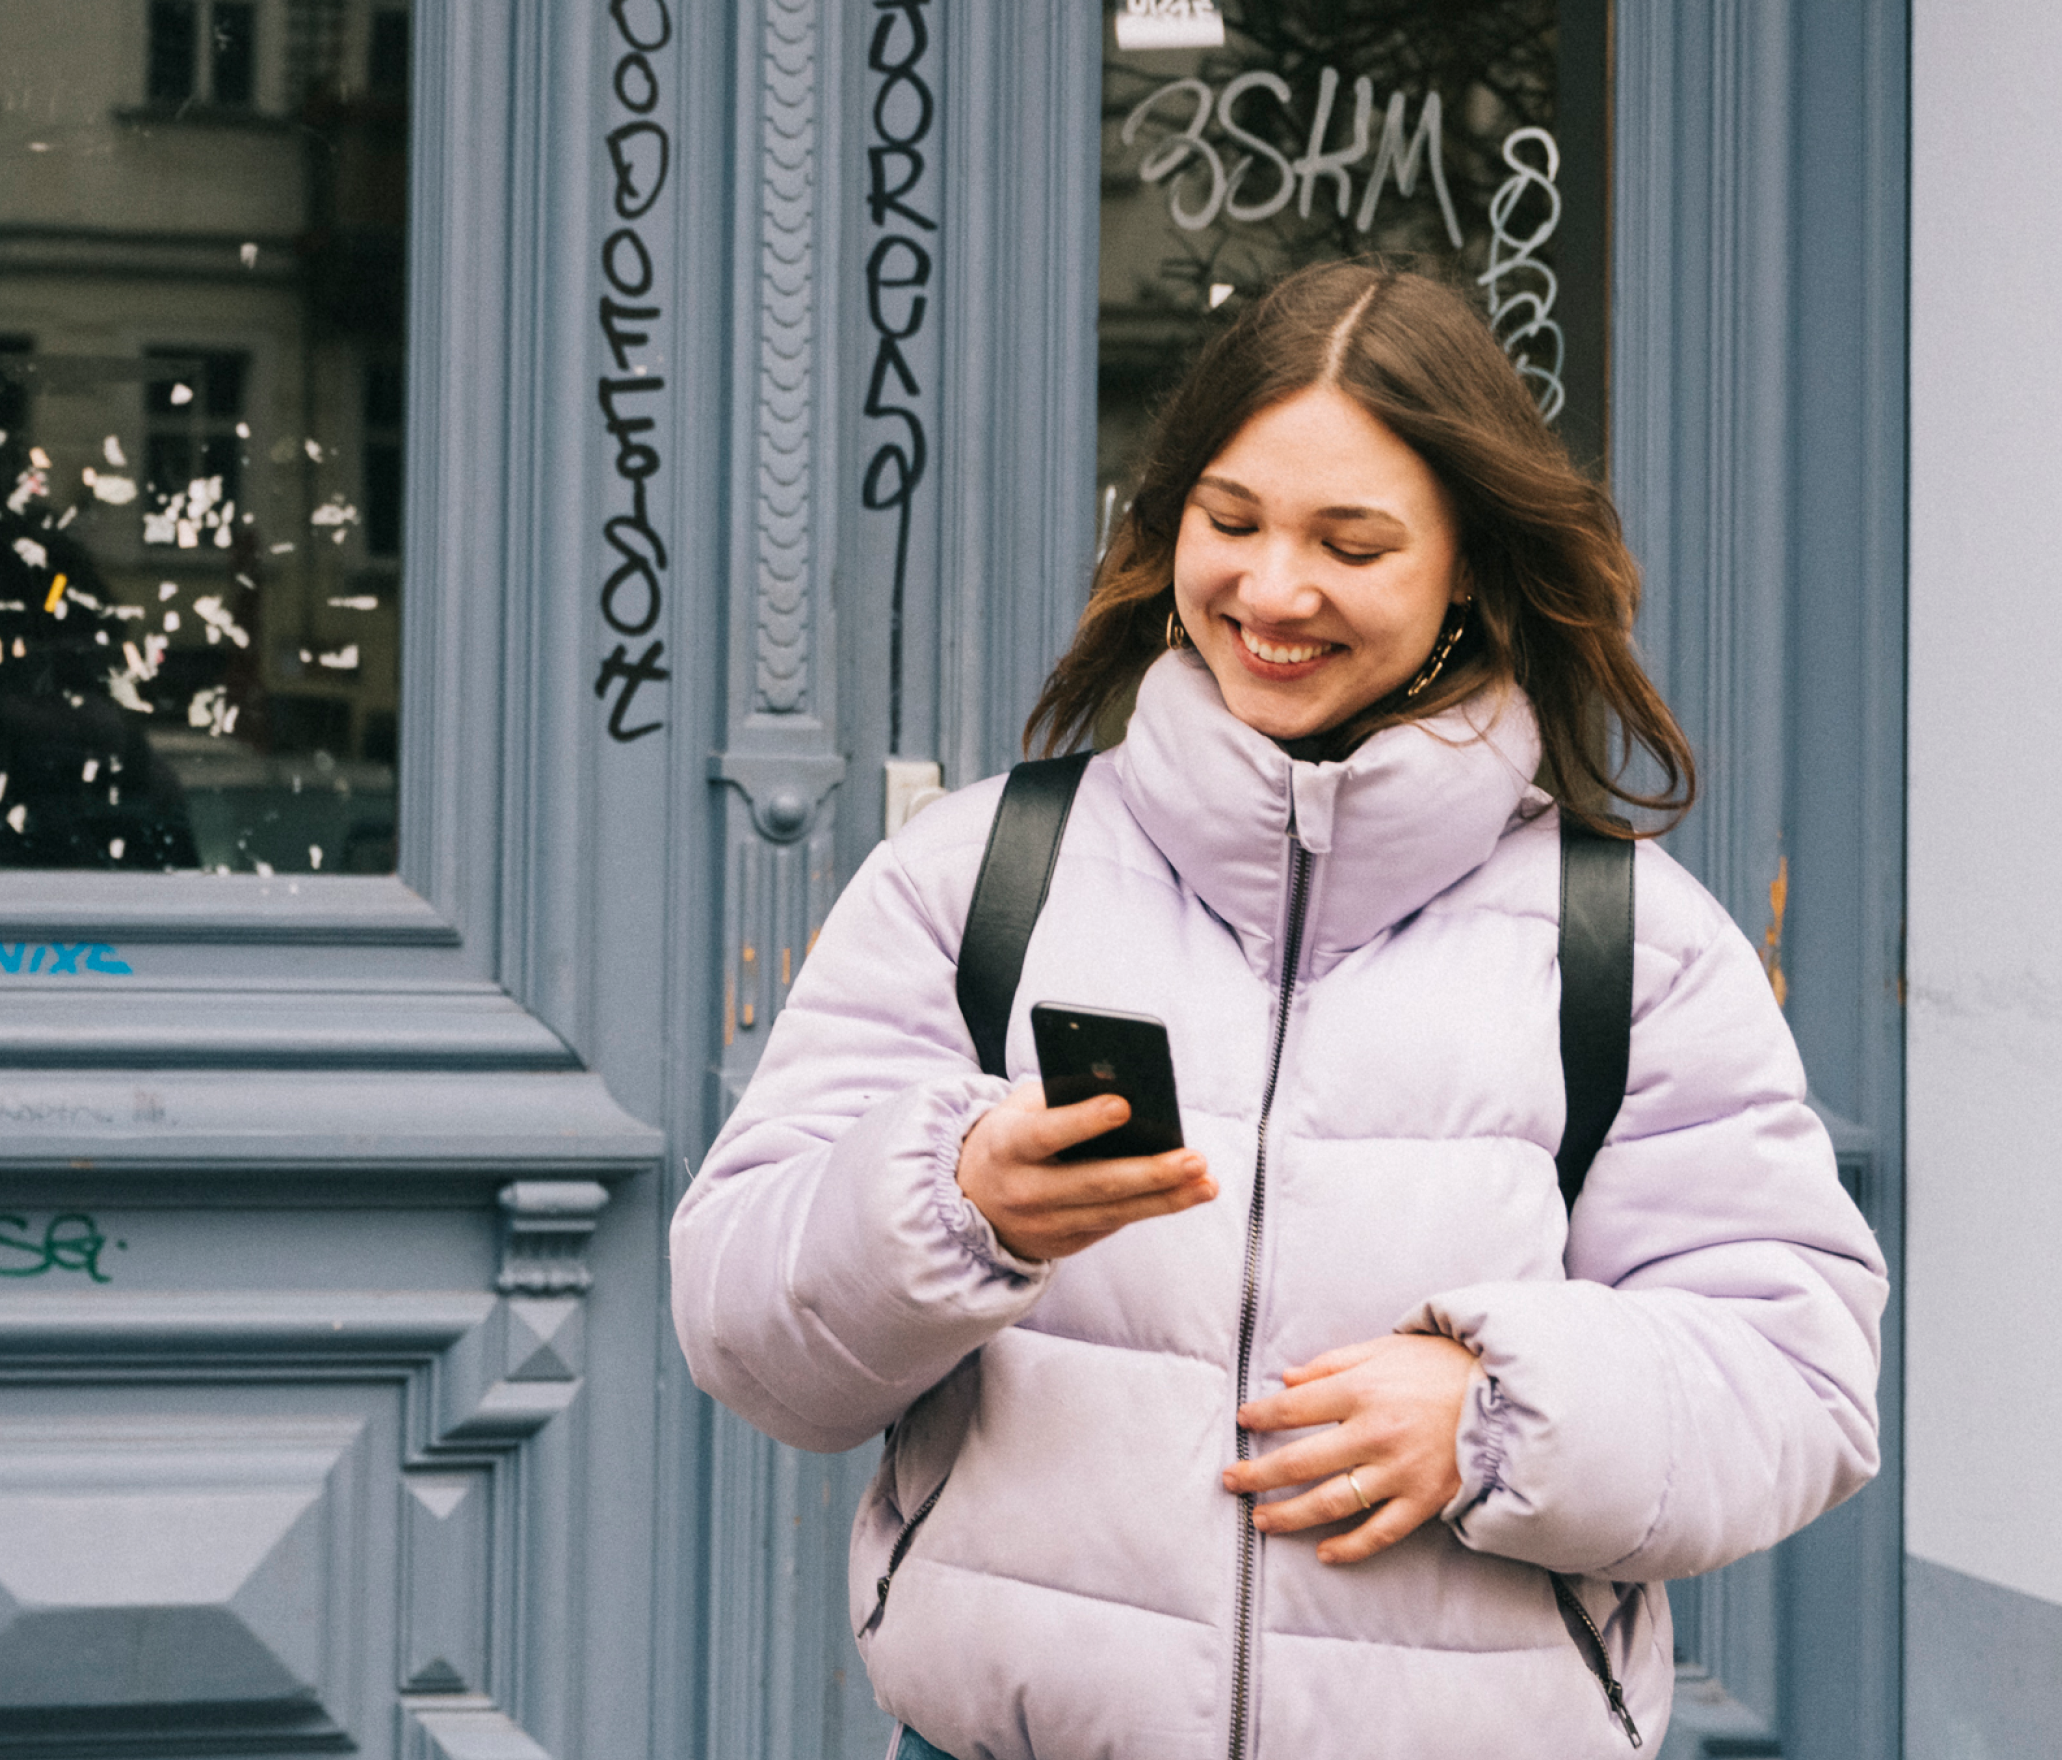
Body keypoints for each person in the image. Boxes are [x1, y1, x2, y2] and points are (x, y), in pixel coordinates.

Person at [671, 261, 1885, 1760]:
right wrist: (952, 1200)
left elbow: (1800, 1378)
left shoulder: (1624, 942)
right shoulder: (984, 876)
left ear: (1469, 566)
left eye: (1352, 544)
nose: (1272, 590)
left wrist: (1501, 1412)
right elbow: (743, 1327)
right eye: (1229, 523)